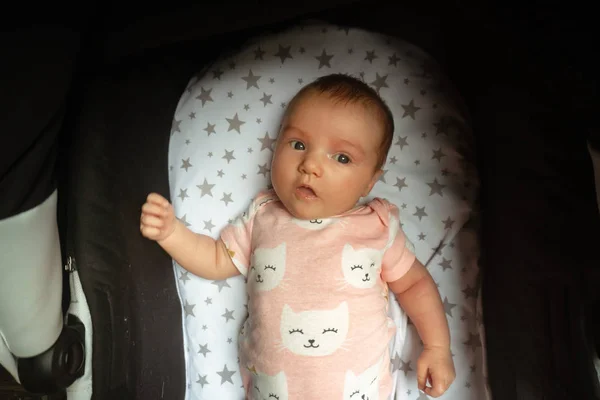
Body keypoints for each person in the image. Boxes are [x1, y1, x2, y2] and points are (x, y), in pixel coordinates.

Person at [140, 73, 455, 399]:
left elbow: (415, 284)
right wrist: (172, 232)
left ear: (369, 182)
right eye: (298, 145)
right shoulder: (264, 217)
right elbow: (216, 259)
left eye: (342, 157)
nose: (310, 165)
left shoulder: (376, 227)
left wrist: (437, 346)